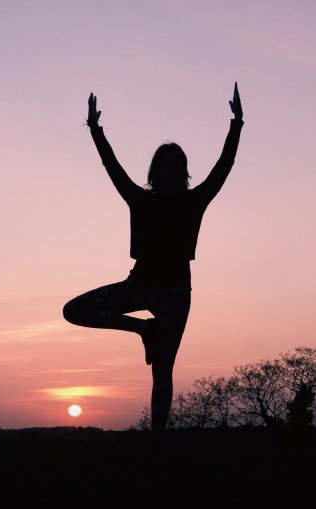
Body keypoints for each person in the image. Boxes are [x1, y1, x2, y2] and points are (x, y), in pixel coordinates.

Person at [62, 83, 244, 433]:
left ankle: (156, 442)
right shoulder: (139, 200)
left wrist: (236, 123)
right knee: (74, 310)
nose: (170, 171)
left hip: (175, 294)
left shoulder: (196, 200)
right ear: (155, 172)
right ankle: (143, 328)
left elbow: (225, 165)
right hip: (139, 286)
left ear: (183, 171)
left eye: (176, 166)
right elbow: (111, 166)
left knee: (162, 371)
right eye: (163, 166)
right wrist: (95, 130)